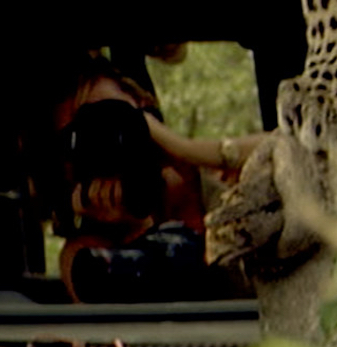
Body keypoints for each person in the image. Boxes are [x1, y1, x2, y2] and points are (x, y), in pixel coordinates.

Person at [40, 56, 268, 303]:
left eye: (114, 116)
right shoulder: (86, 251)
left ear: (144, 108)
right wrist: (134, 224)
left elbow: (300, 154)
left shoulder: (221, 181)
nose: (102, 139)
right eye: (82, 136)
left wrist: (186, 152)